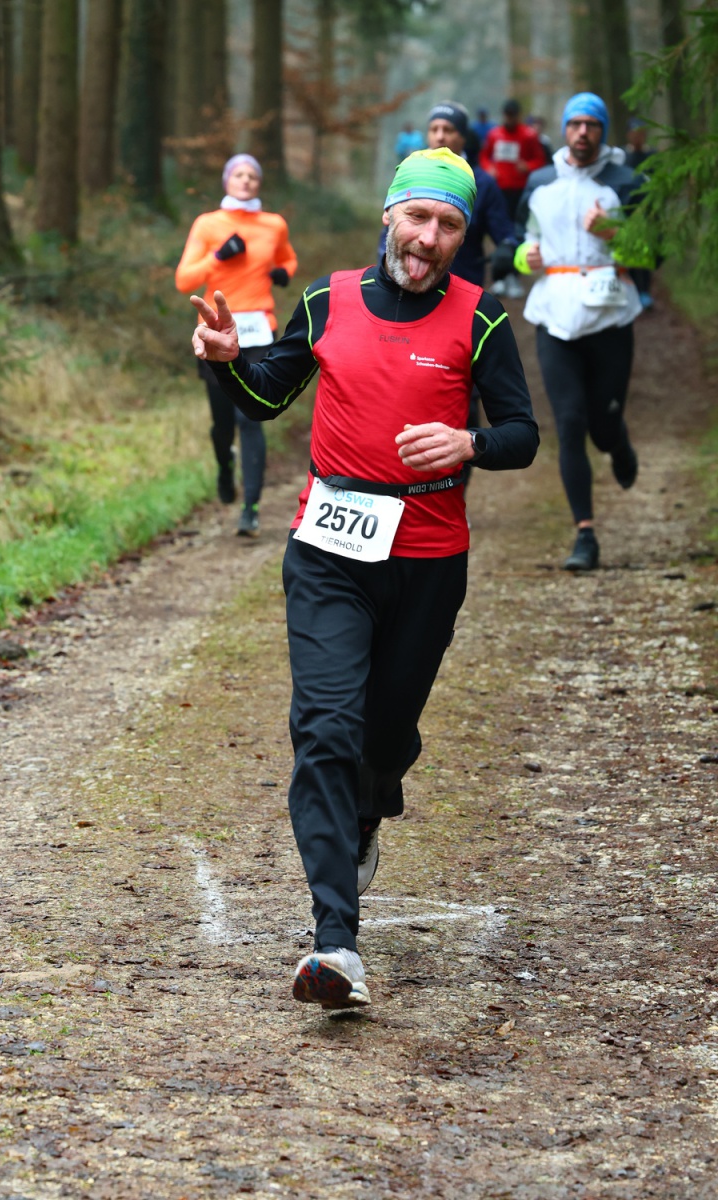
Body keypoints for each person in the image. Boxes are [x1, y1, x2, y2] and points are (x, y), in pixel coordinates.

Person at [190, 148, 539, 1010]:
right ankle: (335, 943)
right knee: (325, 729)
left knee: (383, 738)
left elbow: (523, 434)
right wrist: (228, 361)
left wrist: (469, 442)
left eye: (449, 224)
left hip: (427, 557)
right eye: (418, 217)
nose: (429, 238)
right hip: (329, 548)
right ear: (390, 216)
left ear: (461, 235)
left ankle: (373, 806)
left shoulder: (480, 316)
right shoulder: (329, 299)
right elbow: (268, 395)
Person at [514, 92, 644, 572]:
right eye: (575, 124)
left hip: (610, 316)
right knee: (569, 423)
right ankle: (584, 534)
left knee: (602, 428)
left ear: (603, 131)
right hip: (555, 316)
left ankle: (618, 442)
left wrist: (616, 234)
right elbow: (523, 237)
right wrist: (521, 256)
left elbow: (652, 254)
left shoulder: (627, 182)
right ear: (565, 129)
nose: (583, 132)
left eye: (592, 124)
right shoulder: (540, 182)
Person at [377, 102, 518, 491]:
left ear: (463, 136)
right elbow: (388, 239)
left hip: (459, 304)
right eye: (435, 128)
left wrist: (508, 250)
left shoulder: (483, 183)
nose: (440, 136)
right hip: (407, 299)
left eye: (449, 130)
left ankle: (452, 491)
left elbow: (505, 232)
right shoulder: (412, 174)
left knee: (459, 400)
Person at [175, 153, 298, 537]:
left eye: (252, 176)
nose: (246, 180)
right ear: (227, 180)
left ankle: (251, 508)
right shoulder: (208, 224)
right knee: (224, 423)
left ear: (259, 183)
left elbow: (288, 259)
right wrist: (218, 257)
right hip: (215, 332)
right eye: (238, 174)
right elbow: (184, 280)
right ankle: (225, 466)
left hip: (259, 332)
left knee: (251, 416)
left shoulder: (273, 224)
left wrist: (283, 273)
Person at [479, 100, 547, 297]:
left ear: (518, 115)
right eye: (507, 115)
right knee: (498, 233)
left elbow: (539, 159)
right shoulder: (494, 135)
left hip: (519, 192)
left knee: (517, 233)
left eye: (513, 115)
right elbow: (484, 157)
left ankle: (514, 276)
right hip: (499, 191)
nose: (509, 119)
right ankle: (499, 276)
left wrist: (527, 166)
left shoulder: (528, 135)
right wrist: (489, 168)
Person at [624, 119, 656, 309]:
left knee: (646, 250)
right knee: (629, 251)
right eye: (634, 133)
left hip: (648, 211)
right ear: (629, 134)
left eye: (641, 133)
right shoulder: (623, 157)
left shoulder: (652, 156)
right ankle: (633, 290)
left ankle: (645, 291)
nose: (637, 137)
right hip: (627, 213)